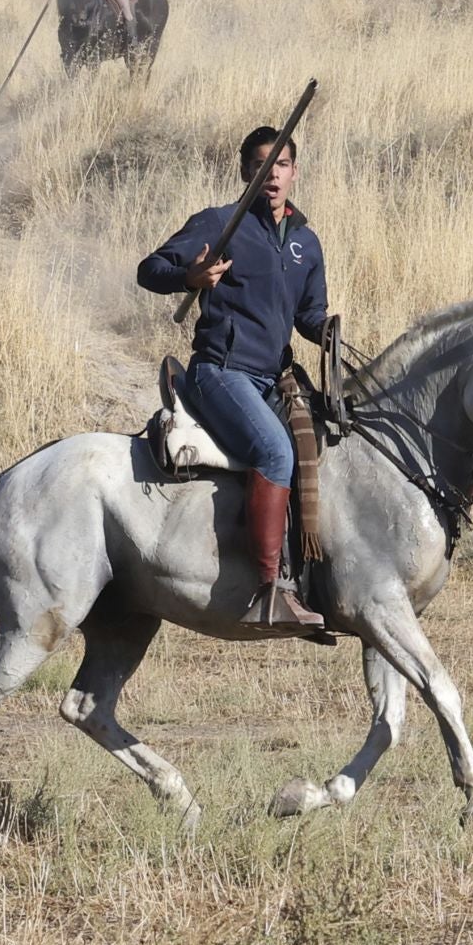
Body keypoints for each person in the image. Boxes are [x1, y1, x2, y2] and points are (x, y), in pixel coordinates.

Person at [137, 125, 329, 632]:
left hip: (272, 379)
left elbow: (309, 315)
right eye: (262, 165)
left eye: (281, 165)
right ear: (246, 172)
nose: (272, 175)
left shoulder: (305, 242)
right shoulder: (220, 223)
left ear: (294, 172)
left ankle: (313, 578)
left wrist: (327, 331)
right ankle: (269, 592)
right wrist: (190, 278)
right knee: (276, 452)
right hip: (221, 371)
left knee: (324, 444)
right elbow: (149, 269)